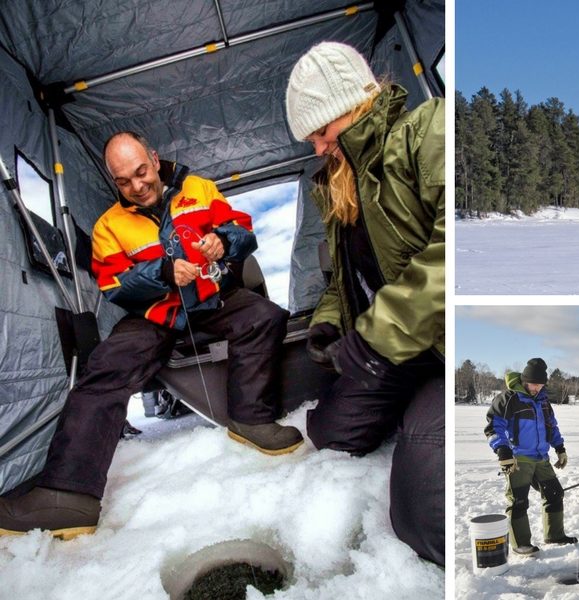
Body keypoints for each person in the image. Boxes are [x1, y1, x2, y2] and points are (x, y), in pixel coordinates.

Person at [0, 131, 301, 539]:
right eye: (123, 181)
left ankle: (251, 420)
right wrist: (161, 273)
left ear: (155, 160)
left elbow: (245, 233)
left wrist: (223, 241)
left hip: (213, 300)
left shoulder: (200, 189)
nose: (137, 186)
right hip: (155, 315)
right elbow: (114, 287)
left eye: (141, 172)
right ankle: (68, 496)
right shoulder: (108, 227)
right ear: (114, 181)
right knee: (106, 364)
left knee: (265, 316)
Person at [283, 41, 444, 566]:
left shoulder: (428, 133)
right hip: (394, 355)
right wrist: (331, 322)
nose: (317, 149)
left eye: (320, 134)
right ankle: (412, 412)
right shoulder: (338, 185)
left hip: (445, 352)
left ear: (349, 107)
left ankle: (429, 425)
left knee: (423, 516)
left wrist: (378, 334)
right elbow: (342, 280)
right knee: (329, 432)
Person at [485, 358, 577, 556]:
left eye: (540, 384)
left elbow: (551, 426)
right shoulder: (509, 398)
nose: (536, 388)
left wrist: (560, 448)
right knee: (518, 500)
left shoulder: (543, 402)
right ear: (525, 380)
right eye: (534, 384)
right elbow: (493, 427)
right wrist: (503, 451)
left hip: (541, 457)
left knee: (554, 493)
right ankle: (521, 543)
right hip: (518, 458)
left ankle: (555, 535)